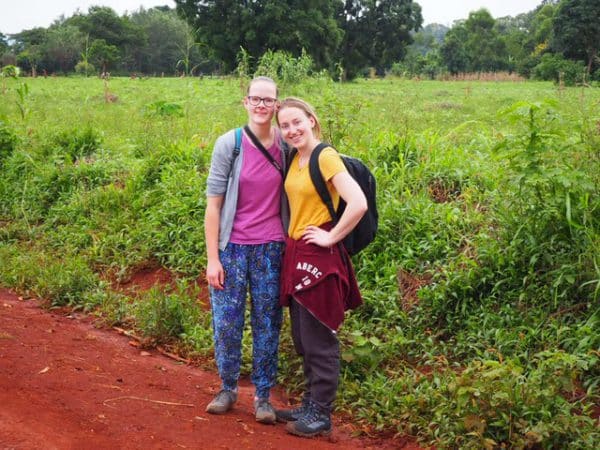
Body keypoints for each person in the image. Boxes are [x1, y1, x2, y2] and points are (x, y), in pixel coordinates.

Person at [275, 97, 367, 437]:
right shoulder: (295, 158)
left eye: (297, 122)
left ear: (312, 120)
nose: (292, 130)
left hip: (319, 256)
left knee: (319, 336)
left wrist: (331, 238)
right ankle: (310, 403)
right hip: (297, 253)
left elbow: (357, 202)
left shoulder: (324, 156)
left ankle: (321, 413)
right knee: (302, 335)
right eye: (285, 125)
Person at [204, 76, 288, 424]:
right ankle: (227, 388)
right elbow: (213, 206)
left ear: (276, 105)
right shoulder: (230, 144)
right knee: (227, 323)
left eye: (268, 101)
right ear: (245, 102)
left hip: (271, 248)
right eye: (256, 99)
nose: (261, 106)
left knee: (268, 323)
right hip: (232, 248)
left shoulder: (286, 144)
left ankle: (263, 397)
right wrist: (213, 258)